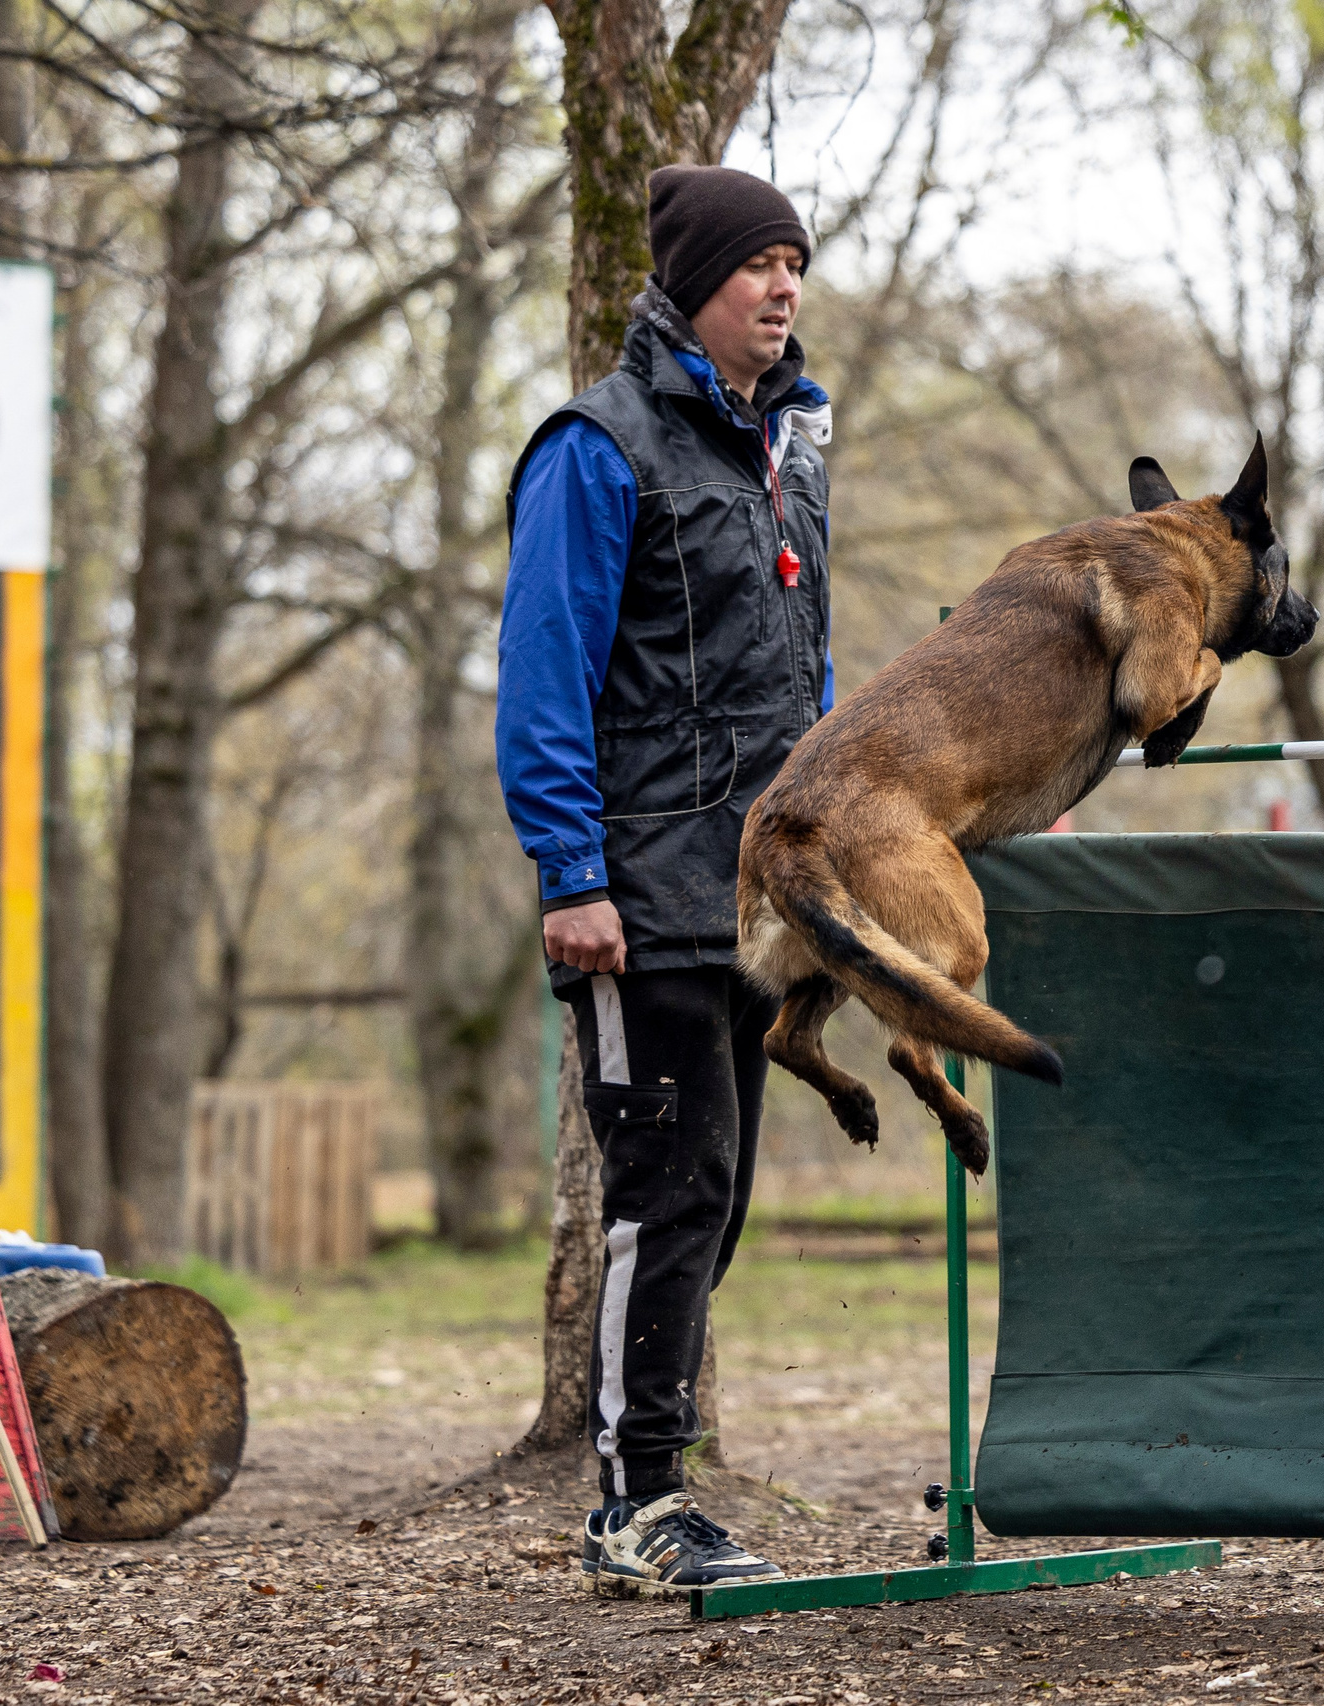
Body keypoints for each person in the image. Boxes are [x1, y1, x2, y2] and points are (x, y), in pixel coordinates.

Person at [495, 164, 834, 1592]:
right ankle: (634, 1503)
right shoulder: (598, 445)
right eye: (757, 263)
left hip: (756, 903)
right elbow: (542, 671)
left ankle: (662, 1477)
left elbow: (807, 681)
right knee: (664, 1191)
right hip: (634, 898)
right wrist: (572, 873)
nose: (784, 288)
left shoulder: (794, 448)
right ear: (695, 281)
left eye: (796, 265)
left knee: (720, 1191)